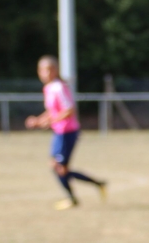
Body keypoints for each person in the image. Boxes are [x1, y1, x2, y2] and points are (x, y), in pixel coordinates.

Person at [25, 56, 107, 210]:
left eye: (49, 70)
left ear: (55, 71)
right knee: (59, 168)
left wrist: (49, 122)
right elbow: (52, 111)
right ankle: (96, 185)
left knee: (58, 167)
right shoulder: (48, 88)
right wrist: (38, 120)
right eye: (42, 70)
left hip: (67, 132)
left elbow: (69, 110)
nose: (45, 73)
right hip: (59, 132)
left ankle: (75, 197)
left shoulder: (59, 87)